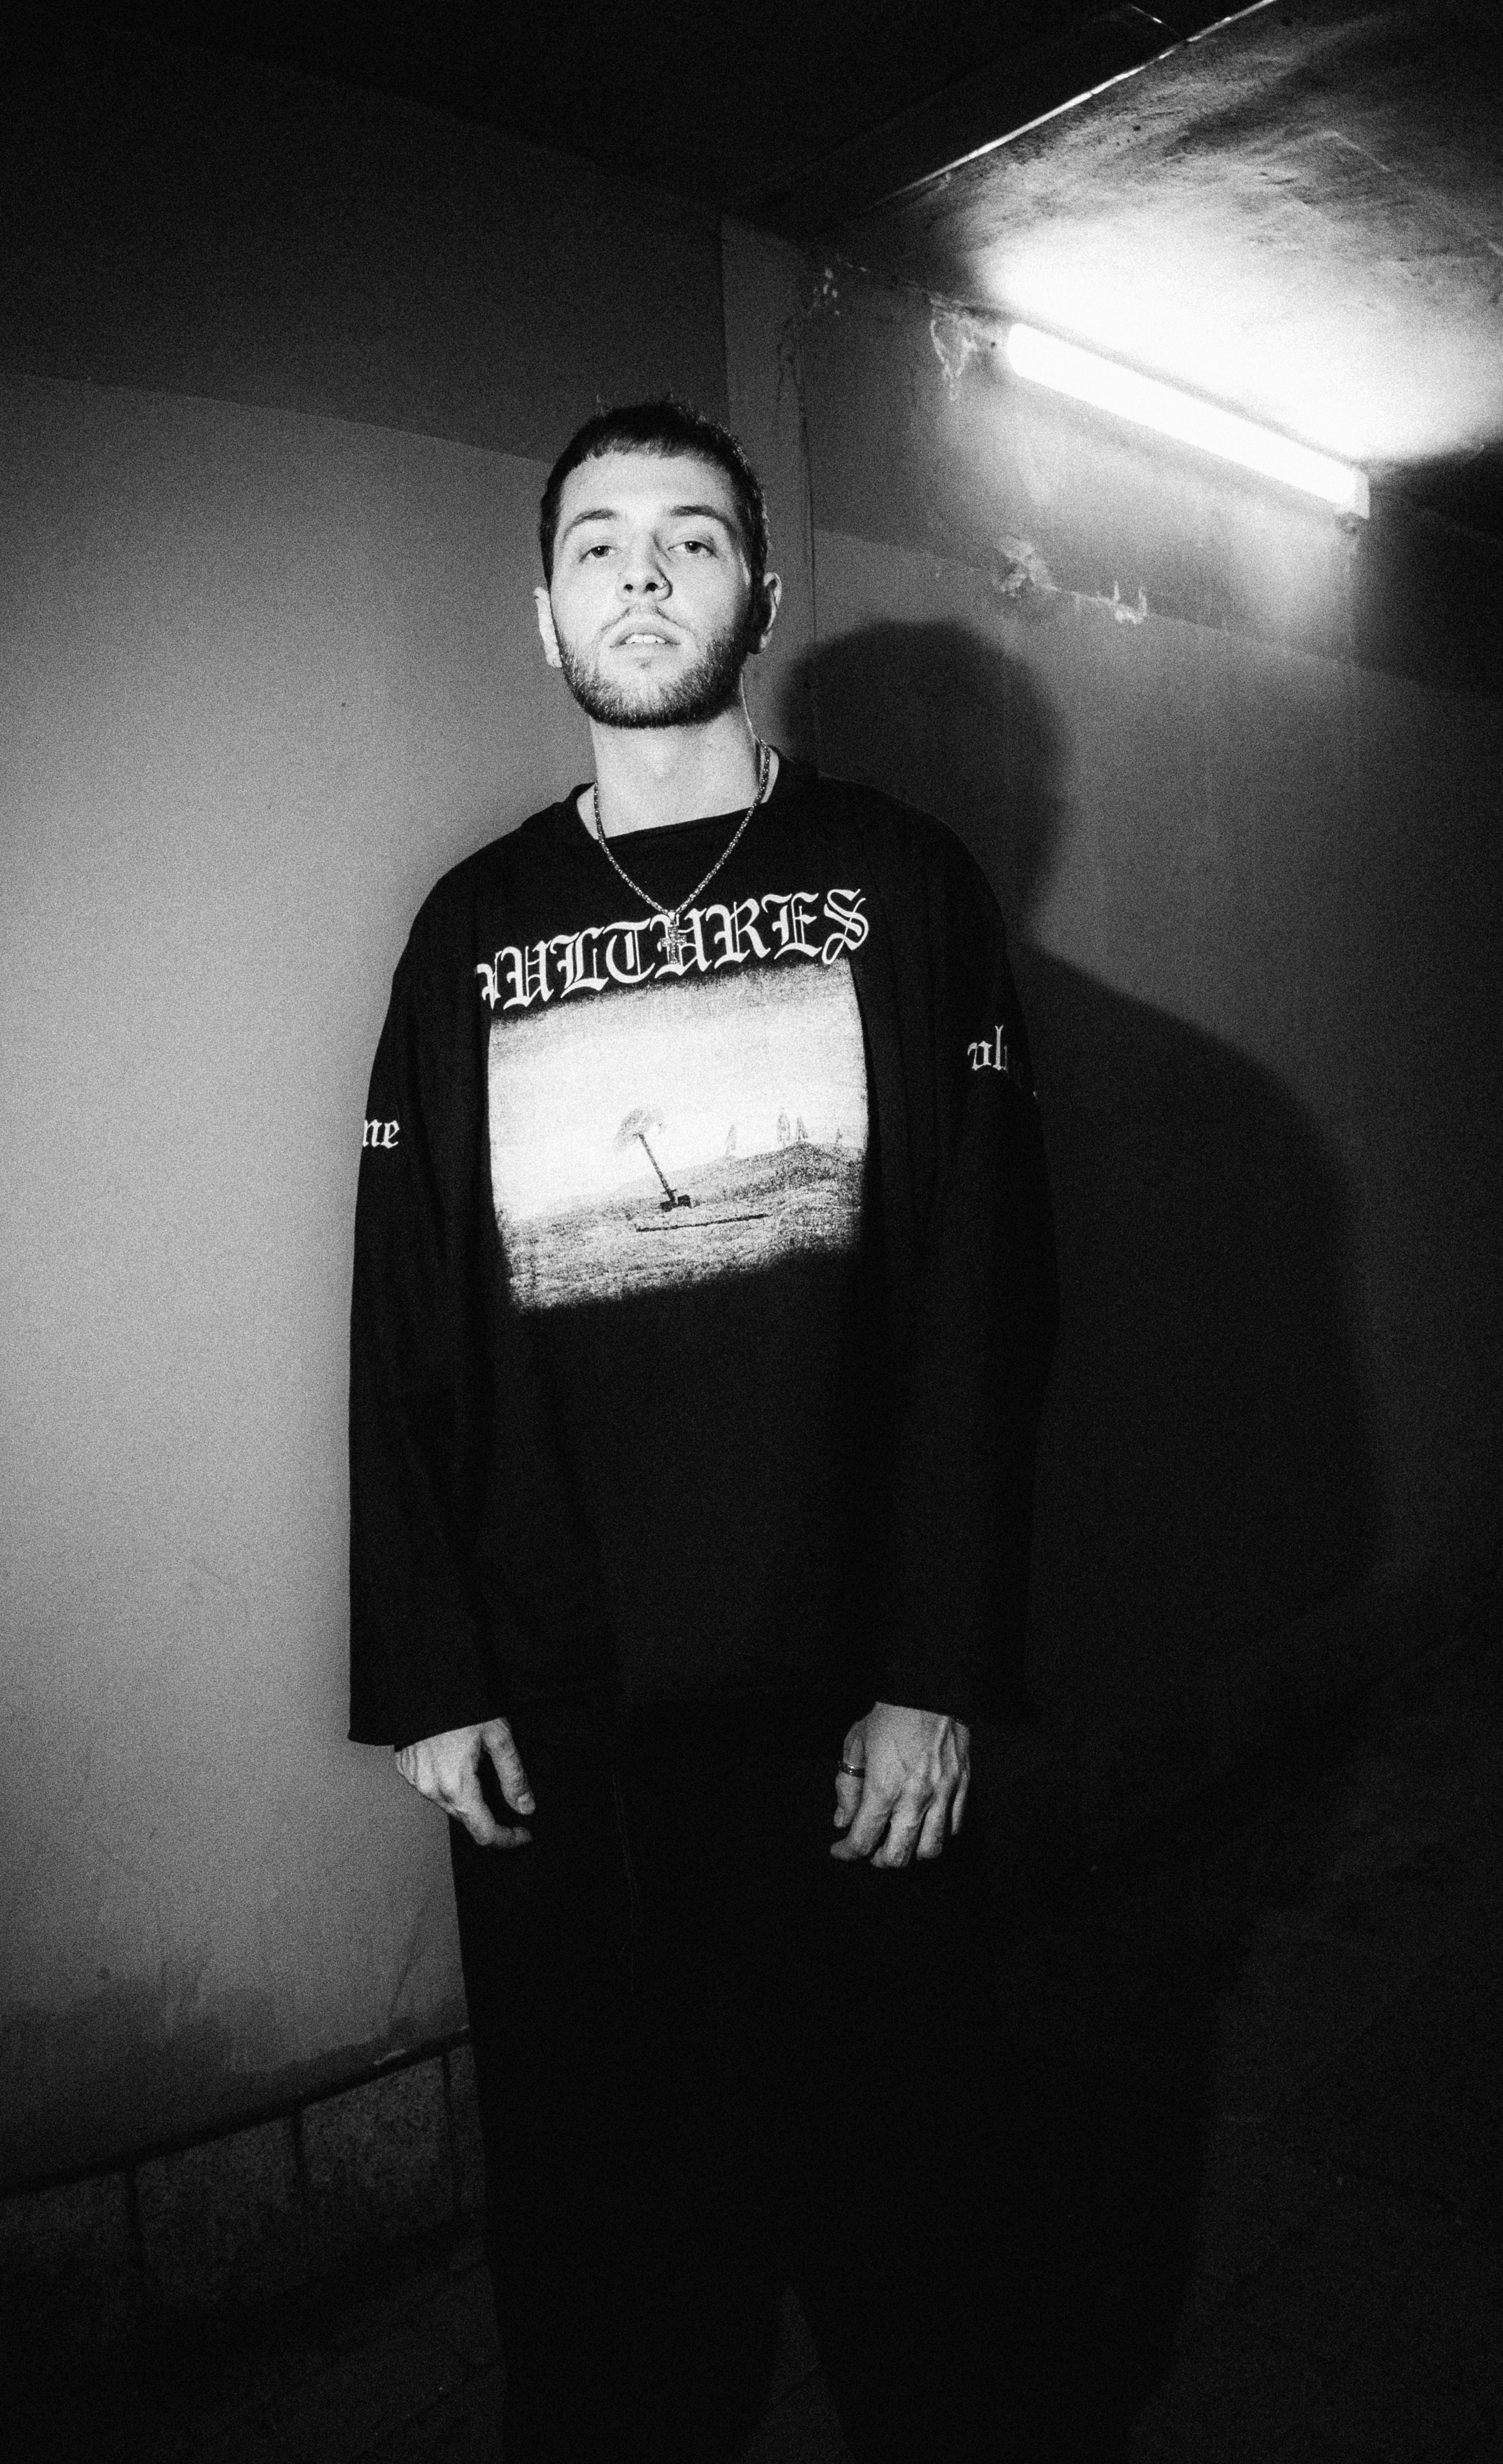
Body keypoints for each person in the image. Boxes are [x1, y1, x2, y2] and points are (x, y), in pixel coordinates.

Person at [349, 399, 1057, 2461]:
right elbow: (408, 1307)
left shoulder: (900, 888)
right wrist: (429, 1672)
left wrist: (933, 1670)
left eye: (686, 539)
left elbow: (978, 1307)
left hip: (849, 1715)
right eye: (597, 544)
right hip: (568, 1733)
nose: (641, 576)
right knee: (600, 2256)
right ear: (541, 607)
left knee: (908, 2223)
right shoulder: (469, 933)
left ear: (763, 588)